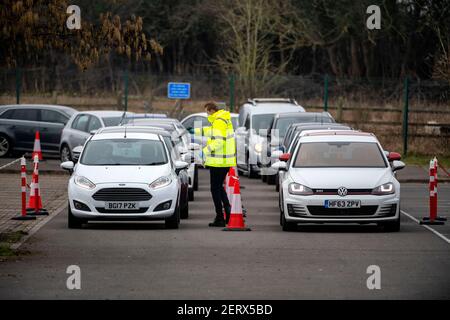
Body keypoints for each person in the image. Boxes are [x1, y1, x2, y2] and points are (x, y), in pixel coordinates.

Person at [195, 102, 236, 227]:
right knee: (219, 187)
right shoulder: (222, 119)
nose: (207, 114)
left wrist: (204, 151)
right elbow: (213, 132)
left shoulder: (218, 121)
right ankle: (227, 211)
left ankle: (220, 217)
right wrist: (198, 131)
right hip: (224, 161)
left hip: (219, 161)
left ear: (212, 110)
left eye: (207, 111)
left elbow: (218, 141)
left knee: (215, 189)